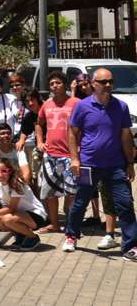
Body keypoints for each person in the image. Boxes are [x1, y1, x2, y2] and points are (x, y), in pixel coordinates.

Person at [63, 68, 137, 260]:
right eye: (103, 82)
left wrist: (130, 162)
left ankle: (130, 246)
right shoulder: (82, 106)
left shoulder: (121, 106)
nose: (107, 85)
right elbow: (72, 133)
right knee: (80, 202)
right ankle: (71, 235)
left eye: (110, 81)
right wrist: (75, 159)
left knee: (125, 204)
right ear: (93, 84)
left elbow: (125, 136)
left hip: (116, 165)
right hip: (88, 164)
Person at [33, 72, 79, 235]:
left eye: (58, 83)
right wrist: (40, 141)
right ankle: (54, 224)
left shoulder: (76, 103)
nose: (54, 86)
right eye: (52, 83)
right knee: (50, 193)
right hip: (50, 155)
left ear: (64, 84)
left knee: (72, 193)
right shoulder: (47, 104)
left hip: (70, 156)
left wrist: (81, 146)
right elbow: (39, 124)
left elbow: (86, 124)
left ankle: (71, 225)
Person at [0, 158, 47, 251]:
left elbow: (11, 209)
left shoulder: (17, 183)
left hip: (36, 215)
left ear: (10, 171)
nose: (0, 175)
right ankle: (21, 235)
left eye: (4, 171)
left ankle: (33, 238)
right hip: (19, 214)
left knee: (7, 219)